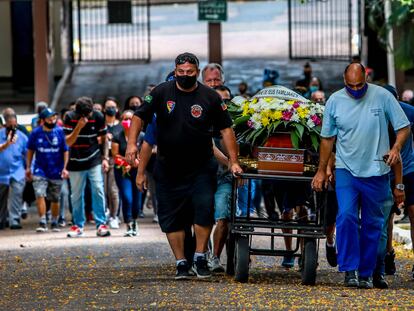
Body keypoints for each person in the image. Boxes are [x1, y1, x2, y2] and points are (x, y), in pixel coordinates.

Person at [127, 52, 242, 280]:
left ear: (197, 72)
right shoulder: (161, 92)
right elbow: (139, 117)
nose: (185, 76)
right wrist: (131, 144)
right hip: (169, 168)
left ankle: (200, 257)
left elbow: (227, 129)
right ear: (175, 71)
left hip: (201, 167)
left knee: (203, 211)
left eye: (190, 73)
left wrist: (234, 161)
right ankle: (181, 262)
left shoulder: (210, 97)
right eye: (181, 73)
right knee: (172, 217)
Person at [312, 63, 410, 289]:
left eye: (360, 85)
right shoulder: (335, 101)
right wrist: (321, 170)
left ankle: (367, 272)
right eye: (351, 86)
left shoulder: (383, 96)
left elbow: (404, 127)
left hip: (376, 171)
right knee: (346, 216)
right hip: (346, 170)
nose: (356, 90)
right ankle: (349, 270)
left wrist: (396, 148)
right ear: (343, 80)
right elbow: (327, 139)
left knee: (372, 224)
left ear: (366, 78)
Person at [63, 97, 110, 237]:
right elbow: (68, 142)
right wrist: (78, 127)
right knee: (76, 195)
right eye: (83, 115)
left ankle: (101, 223)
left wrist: (105, 158)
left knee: (98, 189)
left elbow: (105, 138)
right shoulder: (69, 117)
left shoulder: (98, 116)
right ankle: (78, 225)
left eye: (88, 114)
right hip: (75, 161)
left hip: (93, 158)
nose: (86, 117)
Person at [26, 108, 69, 232]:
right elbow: (30, 151)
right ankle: (43, 221)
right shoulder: (35, 133)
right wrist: (28, 167)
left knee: (55, 198)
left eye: (54, 118)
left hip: (56, 169)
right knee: (40, 194)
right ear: (43, 120)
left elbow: (65, 151)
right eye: (50, 118)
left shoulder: (60, 132)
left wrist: (65, 168)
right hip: (40, 169)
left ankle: (54, 221)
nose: (52, 120)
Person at [112, 110, 143, 237]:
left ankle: (135, 221)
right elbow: (115, 154)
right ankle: (128, 223)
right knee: (126, 197)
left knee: (137, 199)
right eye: (125, 118)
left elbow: (144, 153)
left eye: (130, 118)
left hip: (137, 170)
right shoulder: (117, 136)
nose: (127, 121)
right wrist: (128, 163)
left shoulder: (141, 136)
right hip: (122, 171)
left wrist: (136, 163)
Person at [0, 111, 28, 229]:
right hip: (1, 172)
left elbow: (28, 153)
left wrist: (29, 168)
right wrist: (7, 143)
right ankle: (1, 219)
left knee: (16, 194)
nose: (12, 127)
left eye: (14, 125)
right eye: (10, 125)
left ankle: (14, 220)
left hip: (17, 171)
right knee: (1, 197)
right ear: (5, 124)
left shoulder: (22, 136)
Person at [103, 97, 122, 229]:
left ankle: (114, 216)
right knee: (102, 190)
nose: (110, 109)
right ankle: (104, 214)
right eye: (108, 106)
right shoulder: (100, 125)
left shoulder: (120, 126)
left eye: (113, 106)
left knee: (113, 190)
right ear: (104, 109)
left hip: (115, 160)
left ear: (117, 109)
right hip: (101, 160)